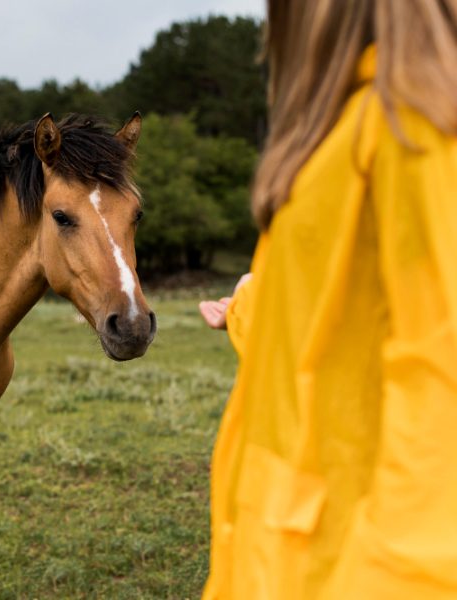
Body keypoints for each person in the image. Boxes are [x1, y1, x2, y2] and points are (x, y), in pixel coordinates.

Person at [201, 1, 457, 598]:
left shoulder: (417, 129)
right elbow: (338, 325)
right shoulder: (345, 133)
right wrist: (249, 309)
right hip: (283, 561)